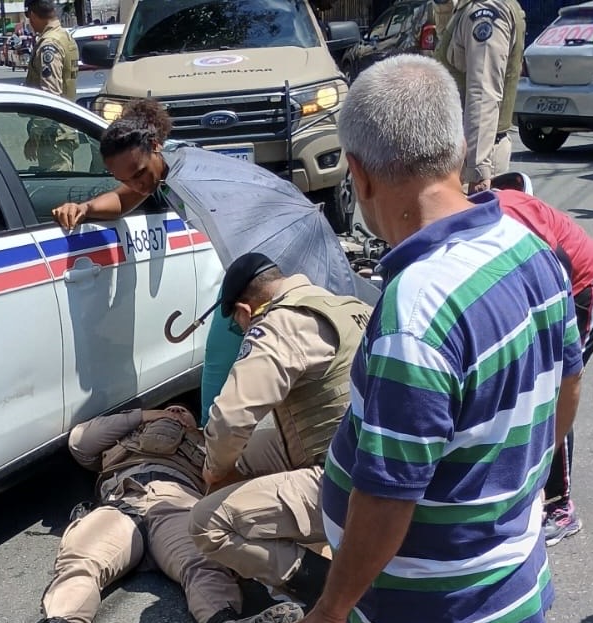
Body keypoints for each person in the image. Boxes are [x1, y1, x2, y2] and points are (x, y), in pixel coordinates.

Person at [288, 55, 582, 623]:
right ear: (452, 149)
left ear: (356, 172)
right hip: (508, 596)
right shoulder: (530, 249)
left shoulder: (416, 312)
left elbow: (387, 495)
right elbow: (565, 387)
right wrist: (507, 492)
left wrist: (326, 615)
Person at [51, 98, 364, 424]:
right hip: (247, 272)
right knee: (227, 371)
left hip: (261, 276)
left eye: (140, 174)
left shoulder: (190, 176)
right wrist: (85, 209)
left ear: (155, 146)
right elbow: (123, 198)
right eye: (127, 178)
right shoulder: (163, 166)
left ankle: (212, 447)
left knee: (225, 370)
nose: (138, 184)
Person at [0, 405, 304, 623]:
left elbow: (256, 458)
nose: (176, 412)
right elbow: (80, 440)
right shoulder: (120, 440)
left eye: (183, 412)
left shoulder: (207, 442)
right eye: (169, 409)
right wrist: (146, 415)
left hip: (177, 502)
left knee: (203, 559)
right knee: (81, 559)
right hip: (122, 501)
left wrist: (201, 433)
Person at [189, 253, 370, 607]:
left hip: (345, 478)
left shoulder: (282, 322)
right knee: (248, 451)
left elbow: (230, 417)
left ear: (244, 310)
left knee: (206, 523)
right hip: (372, 454)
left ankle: (334, 596)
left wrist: (216, 471)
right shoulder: (348, 304)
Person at [494, 187, 593, 544]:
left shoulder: (505, 219)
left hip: (580, 287)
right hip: (554, 290)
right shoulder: (475, 219)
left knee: (555, 392)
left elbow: (557, 271)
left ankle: (561, 507)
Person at [434, 0, 526, 192]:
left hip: (472, 161)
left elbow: (483, 95)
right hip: (460, 157)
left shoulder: (486, 13)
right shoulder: (467, 8)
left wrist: (478, 172)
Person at [20, 0, 79, 171]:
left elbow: (50, 95)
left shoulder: (49, 45)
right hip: (62, 127)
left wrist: (35, 136)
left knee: (58, 187)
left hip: (53, 134)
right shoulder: (65, 37)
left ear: (32, 14)